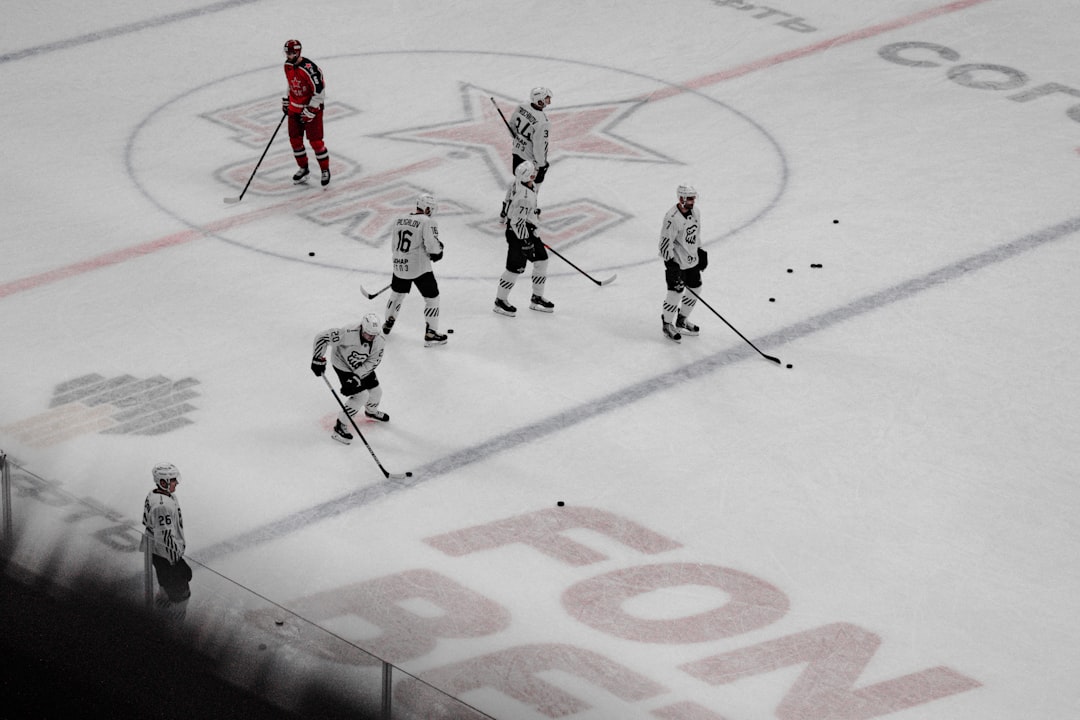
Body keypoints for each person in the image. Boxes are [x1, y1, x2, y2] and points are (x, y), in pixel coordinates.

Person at [311, 313, 390, 444]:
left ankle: (371, 412)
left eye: (373, 335)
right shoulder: (347, 332)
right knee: (361, 396)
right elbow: (322, 337)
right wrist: (317, 358)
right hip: (342, 363)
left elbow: (373, 361)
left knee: (376, 392)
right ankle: (340, 426)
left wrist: (356, 377)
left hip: (361, 365)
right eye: (367, 334)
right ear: (362, 328)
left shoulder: (379, 340)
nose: (370, 338)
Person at [382, 193, 448, 346]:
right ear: (428, 209)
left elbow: (393, 246)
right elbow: (432, 245)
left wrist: (400, 261)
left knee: (397, 294)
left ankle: (388, 322)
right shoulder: (427, 221)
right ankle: (431, 333)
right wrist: (438, 251)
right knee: (432, 298)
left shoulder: (399, 220)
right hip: (419, 268)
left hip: (399, 264)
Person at [494, 160, 553, 317]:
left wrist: (504, 214)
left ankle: (537, 298)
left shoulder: (520, 183)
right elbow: (517, 221)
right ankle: (500, 301)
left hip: (527, 230)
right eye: (533, 171)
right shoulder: (524, 196)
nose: (536, 172)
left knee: (542, 261)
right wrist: (526, 243)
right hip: (518, 234)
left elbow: (507, 201)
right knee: (515, 268)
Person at [658, 184, 708, 343]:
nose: (693, 201)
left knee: (695, 288)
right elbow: (665, 243)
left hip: (692, 259)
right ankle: (667, 324)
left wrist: (700, 250)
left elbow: (696, 233)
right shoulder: (672, 218)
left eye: (694, 197)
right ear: (681, 198)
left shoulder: (696, 212)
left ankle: (681, 320)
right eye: (690, 198)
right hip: (677, 262)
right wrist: (671, 265)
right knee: (675, 293)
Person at [142, 463, 191, 621]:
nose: (177, 482)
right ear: (163, 482)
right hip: (165, 556)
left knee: (165, 590)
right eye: (173, 480)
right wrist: (176, 562)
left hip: (157, 553)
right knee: (181, 595)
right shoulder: (162, 506)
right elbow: (165, 539)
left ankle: (158, 618)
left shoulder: (157, 495)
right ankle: (174, 628)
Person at [282, 39, 331, 187]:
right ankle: (304, 169)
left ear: (298, 52)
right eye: (287, 53)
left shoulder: (310, 69)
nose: (288, 56)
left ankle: (325, 170)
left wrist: (311, 109)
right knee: (295, 141)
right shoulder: (287, 65)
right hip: (294, 109)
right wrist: (287, 99)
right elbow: (292, 84)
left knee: (316, 142)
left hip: (311, 110)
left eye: (291, 53)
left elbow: (319, 91)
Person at [509, 87, 552, 190]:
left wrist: (519, 139)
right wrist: (541, 165)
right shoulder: (543, 122)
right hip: (530, 161)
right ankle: (528, 206)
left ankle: (510, 203)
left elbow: (512, 125)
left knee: (518, 183)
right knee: (530, 189)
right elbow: (539, 147)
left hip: (517, 151)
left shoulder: (522, 107)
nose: (549, 101)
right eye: (547, 98)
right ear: (540, 100)